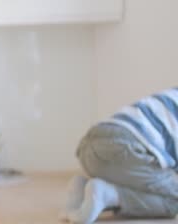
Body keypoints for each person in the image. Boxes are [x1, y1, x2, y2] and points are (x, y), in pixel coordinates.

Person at [62, 88, 178, 224]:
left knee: (143, 182)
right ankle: (109, 194)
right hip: (125, 148)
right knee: (173, 201)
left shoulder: (171, 95)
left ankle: (82, 190)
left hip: (89, 146)